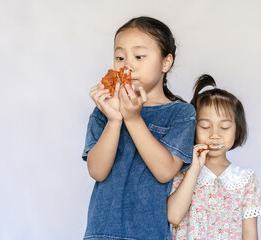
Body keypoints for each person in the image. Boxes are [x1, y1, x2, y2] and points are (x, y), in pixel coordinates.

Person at [82, 16, 196, 240]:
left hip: (148, 233)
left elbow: (164, 172)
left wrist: (133, 119)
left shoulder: (181, 114)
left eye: (139, 56)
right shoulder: (104, 110)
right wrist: (115, 119)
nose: (127, 65)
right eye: (120, 57)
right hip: (101, 232)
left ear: (166, 62)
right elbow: (97, 171)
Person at [167, 74, 261, 240]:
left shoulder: (245, 179)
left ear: (237, 130)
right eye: (205, 126)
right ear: (193, 128)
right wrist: (194, 169)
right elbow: (173, 217)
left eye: (224, 127)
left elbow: (249, 233)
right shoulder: (181, 170)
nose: (214, 135)